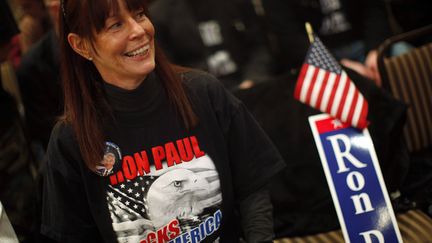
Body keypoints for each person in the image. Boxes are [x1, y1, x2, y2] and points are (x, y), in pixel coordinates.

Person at [41, 0, 285, 242]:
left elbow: (253, 188)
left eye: (139, 15)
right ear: (81, 45)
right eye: (116, 25)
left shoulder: (204, 93)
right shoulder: (69, 140)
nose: (139, 31)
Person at [149, 0, 274, 90]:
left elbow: (260, 47)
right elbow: (169, 71)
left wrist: (252, 80)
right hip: (201, 96)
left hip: (250, 84)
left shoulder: (237, 3)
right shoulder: (159, 15)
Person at [261, 0, 391, 86]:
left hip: (364, 42)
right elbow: (290, 38)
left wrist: (375, 50)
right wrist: (338, 66)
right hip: (318, 54)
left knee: (403, 61)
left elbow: (374, 9)